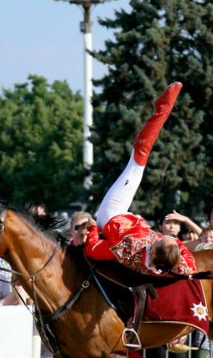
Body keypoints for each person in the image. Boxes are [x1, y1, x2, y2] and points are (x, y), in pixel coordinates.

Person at [83, 83, 196, 278]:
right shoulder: (172, 263)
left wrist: (93, 227)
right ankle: (162, 108)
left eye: (159, 240)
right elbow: (189, 267)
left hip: (111, 216)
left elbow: (92, 249)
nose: (163, 237)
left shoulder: (126, 250)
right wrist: (178, 247)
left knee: (140, 153)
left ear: (152, 252)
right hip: (126, 219)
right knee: (139, 156)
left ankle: (163, 108)